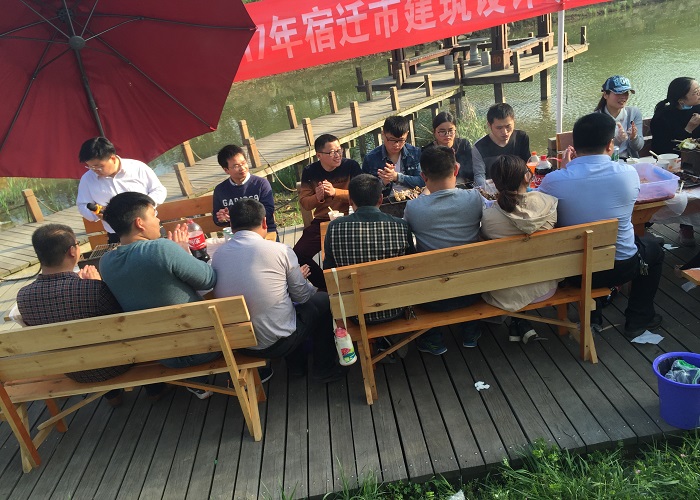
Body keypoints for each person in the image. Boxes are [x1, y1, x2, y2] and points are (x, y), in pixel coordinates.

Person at [539, 113, 664, 339]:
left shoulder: (554, 180)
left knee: (588, 244)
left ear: (574, 146)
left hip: (573, 272)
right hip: (621, 267)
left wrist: (565, 169)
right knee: (654, 250)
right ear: (610, 145)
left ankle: (594, 317)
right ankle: (638, 318)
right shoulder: (628, 174)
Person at [99, 192, 221, 399]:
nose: (158, 220)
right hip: (208, 346)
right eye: (154, 215)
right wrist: (183, 250)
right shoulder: (162, 249)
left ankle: (196, 382)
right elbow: (209, 280)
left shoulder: (106, 263)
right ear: (139, 223)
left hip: (162, 355)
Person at [212, 199, 345, 383]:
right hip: (277, 342)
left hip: (239, 344)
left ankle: (297, 368)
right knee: (322, 301)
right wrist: (298, 280)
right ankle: (324, 369)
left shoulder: (217, 255)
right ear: (264, 222)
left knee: (282, 305)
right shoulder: (280, 250)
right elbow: (302, 296)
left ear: (231, 227)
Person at [16, 224, 131, 407]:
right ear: (72, 251)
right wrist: (98, 284)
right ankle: (154, 390)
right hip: (116, 364)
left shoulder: (23, 296)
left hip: (71, 370)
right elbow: (122, 324)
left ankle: (112, 396)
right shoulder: (93, 289)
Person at [403, 146, 483, 354]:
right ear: (456, 169)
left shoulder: (414, 208)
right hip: (474, 290)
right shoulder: (474, 198)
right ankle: (470, 332)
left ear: (423, 177)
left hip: (433, 298)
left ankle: (432, 338)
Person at [481, 155, 559, 343]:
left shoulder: (489, 218)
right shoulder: (550, 204)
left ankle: (519, 322)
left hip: (504, 293)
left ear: (494, 184)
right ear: (527, 177)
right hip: (545, 287)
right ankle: (520, 323)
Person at [323, 173, 415, 324]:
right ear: (380, 199)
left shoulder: (334, 227)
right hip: (397, 307)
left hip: (355, 313)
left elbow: (329, 269)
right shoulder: (401, 226)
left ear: (350, 201)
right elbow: (411, 266)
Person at [295, 134, 362, 290]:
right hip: (322, 220)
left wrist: (335, 192)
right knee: (298, 254)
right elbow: (305, 203)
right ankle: (326, 286)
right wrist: (317, 197)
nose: (337, 155)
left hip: (350, 216)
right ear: (319, 155)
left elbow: (361, 195)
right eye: (332, 152)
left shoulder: (351, 166)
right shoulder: (310, 171)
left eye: (339, 150)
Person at [77, 137, 167, 244]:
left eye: (98, 166)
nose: (95, 170)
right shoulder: (87, 179)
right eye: (90, 167)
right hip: (117, 234)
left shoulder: (137, 168)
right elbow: (82, 205)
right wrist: (97, 214)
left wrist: (142, 207)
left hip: (149, 227)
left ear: (112, 158)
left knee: (161, 252)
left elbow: (159, 190)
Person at [650, 77, 700, 247]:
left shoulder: (698, 108)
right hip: (672, 165)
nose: (699, 94)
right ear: (681, 100)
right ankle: (686, 227)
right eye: (695, 92)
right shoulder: (663, 116)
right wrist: (689, 129)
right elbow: (664, 149)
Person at [212, 144, 277, 240]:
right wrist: (222, 218)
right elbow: (216, 219)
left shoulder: (261, 184)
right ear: (226, 170)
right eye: (236, 166)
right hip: (236, 236)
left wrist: (235, 216)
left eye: (243, 163)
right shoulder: (220, 190)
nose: (242, 168)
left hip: (264, 231)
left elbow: (269, 210)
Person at [362, 115, 424, 193]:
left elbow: (423, 181)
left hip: (414, 197)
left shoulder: (415, 153)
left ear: (407, 135)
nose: (396, 145)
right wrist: (383, 182)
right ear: (383, 134)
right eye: (392, 139)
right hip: (385, 199)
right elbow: (365, 191)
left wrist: (397, 177)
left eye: (401, 140)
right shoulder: (370, 159)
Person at [423, 111, 484, 187]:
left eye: (450, 131)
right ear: (434, 132)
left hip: (465, 185)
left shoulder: (463, 145)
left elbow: (471, 171)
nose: (447, 135)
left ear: (455, 130)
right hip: (439, 188)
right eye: (442, 131)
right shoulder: (428, 151)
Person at [472, 103, 530, 180]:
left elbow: (528, 165)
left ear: (514, 121)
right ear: (489, 125)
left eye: (508, 126)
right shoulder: (479, 147)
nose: (505, 132)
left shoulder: (521, 137)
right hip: (493, 184)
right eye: (499, 128)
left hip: (519, 183)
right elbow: (479, 175)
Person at [594, 76, 644, 159]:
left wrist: (634, 137)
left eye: (626, 93)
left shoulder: (634, 113)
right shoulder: (595, 119)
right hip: (605, 163)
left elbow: (638, 147)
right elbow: (594, 153)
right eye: (618, 93)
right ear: (605, 95)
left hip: (629, 162)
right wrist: (616, 141)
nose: (623, 97)